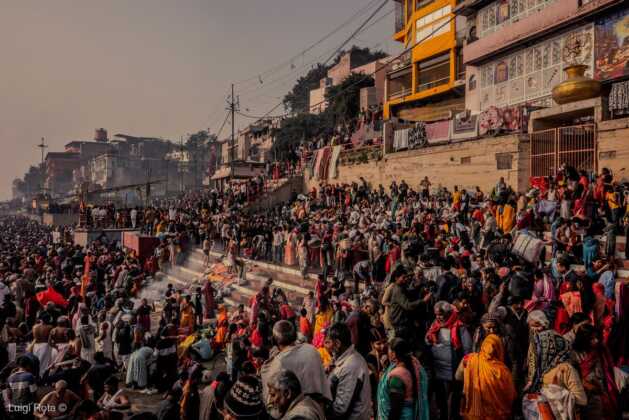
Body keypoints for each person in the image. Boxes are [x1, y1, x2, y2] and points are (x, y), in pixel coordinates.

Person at [261, 321, 331, 418]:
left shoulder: (278, 362)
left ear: (274, 341)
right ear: (295, 336)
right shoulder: (311, 350)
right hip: (318, 412)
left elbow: (272, 406)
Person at [425, 301, 472, 420]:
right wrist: (428, 340)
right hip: (437, 369)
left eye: (440, 315)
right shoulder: (435, 324)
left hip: (452, 370)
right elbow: (427, 338)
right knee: (441, 400)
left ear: (448, 313)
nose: (438, 317)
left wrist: (465, 365)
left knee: (454, 398)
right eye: (436, 315)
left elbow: (467, 348)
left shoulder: (459, 326)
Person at [456, 334, 515, 420]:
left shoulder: (468, 359)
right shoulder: (503, 370)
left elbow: (458, 377)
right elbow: (511, 396)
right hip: (497, 416)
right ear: (499, 349)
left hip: (473, 413)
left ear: (483, 346)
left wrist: (471, 379)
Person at [325, 322, 372, 420]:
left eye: (328, 342)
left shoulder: (351, 366)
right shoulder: (346, 358)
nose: (326, 346)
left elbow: (340, 409)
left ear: (337, 344)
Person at [376, 338, 429, 420]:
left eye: (388, 351)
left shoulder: (397, 376)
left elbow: (395, 409)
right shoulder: (414, 367)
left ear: (393, 354)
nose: (387, 353)